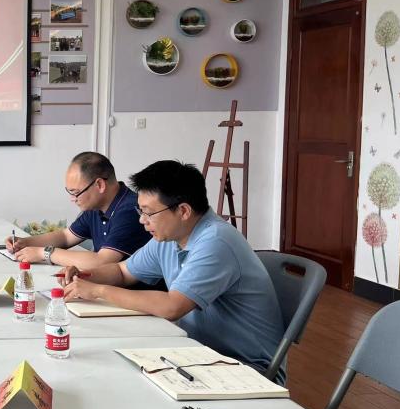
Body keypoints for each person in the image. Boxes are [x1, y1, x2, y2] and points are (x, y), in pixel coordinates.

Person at [60, 160, 284, 381]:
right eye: (140, 210)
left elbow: (172, 307)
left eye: (148, 213)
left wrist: (98, 291)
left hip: (243, 368)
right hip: (196, 352)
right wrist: (85, 276)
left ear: (183, 211)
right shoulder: (170, 237)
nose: (142, 220)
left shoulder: (216, 242)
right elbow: (122, 272)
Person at [7, 152, 151, 271]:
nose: (73, 199)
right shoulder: (96, 206)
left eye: (76, 193)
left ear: (100, 185)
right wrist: (25, 243)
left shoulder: (129, 210)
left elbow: (102, 262)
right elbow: (66, 237)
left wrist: (44, 253)